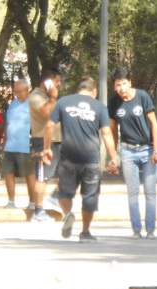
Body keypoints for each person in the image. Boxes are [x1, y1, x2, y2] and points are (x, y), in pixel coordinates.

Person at [43, 77, 119, 243]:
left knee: (65, 191)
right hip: (91, 159)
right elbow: (106, 133)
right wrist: (113, 157)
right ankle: (85, 232)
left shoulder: (63, 102)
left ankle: (68, 214)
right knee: (90, 195)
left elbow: (49, 126)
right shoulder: (99, 106)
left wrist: (47, 148)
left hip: (68, 157)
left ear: (78, 89)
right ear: (94, 91)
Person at [108, 68, 157, 238]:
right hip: (127, 150)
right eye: (118, 85)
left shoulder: (142, 96)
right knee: (132, 192)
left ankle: (151, 229)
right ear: (114, 86)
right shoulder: (114, 102)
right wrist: (113, 156)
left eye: (124, 83)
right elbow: (113, 129)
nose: (122, 88)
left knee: (150, 191)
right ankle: (136, 229)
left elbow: (154, 123)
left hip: (148, 149)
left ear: (130, 82)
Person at [29, 67, 62, 222]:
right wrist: (54, 98)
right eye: (57, 82)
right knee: (42, 178)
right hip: (43, 142)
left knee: (69, 171)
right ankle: (38, 211)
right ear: (48, 82)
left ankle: (56, 194)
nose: (59, 85)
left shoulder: (47, 96)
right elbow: (47, 112)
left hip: (59, 141)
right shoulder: (36, 96)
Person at [1, 79, 36, 211]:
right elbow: (8, 125)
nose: (18, 95)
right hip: (10, 146)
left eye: (20, 92)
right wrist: (4, 145)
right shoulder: (13, 104)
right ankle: (11, 201)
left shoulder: (33, 104)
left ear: (28, 90)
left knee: (29, 174)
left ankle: (32, 202)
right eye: (16, 92)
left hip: (25, 146)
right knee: (8, 173)